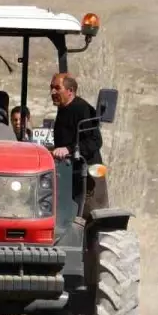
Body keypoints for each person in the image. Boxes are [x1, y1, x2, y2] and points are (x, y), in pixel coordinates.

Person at [49, 72, 108, 216]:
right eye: (51, 88)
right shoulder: (63, 109)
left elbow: (95, 140)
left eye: (57, 88)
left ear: (70, 91)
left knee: (91, 219)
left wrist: (68, 149)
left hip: (88, 177)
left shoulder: (82, 109)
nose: (52, 92)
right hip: (69, 174)